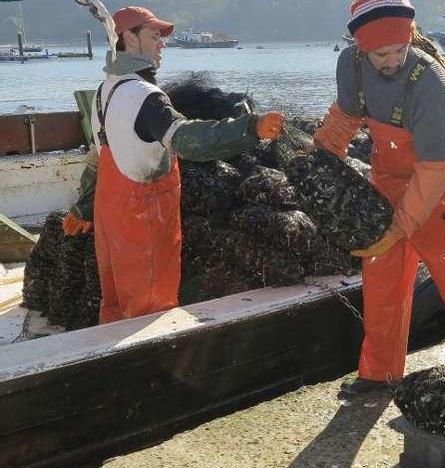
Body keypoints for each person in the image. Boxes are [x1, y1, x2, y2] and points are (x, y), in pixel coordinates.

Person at [315, 0, 445, 396]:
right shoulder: (351, 65)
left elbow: (432, 172)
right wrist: (316, 161)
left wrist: (398, 228)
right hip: (388, 177)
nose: (393, 59)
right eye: (382, 53)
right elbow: (345, 119)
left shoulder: (431, 82)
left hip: (442, 183)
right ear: (360, 46)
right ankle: (379, 374)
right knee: (381, 279)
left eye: (400, 49)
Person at [62, 6, 284, 324]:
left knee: (114, 305)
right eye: (154, 36)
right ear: (129, 38)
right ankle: (149, 370)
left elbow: (101, 155)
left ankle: (112, 363)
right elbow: (186, 139)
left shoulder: (103, 92)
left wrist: (84, 207)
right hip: (144, 220)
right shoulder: (147, 97)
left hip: (111, 218)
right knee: (150, 313)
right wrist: (250, 128)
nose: (162, 44)